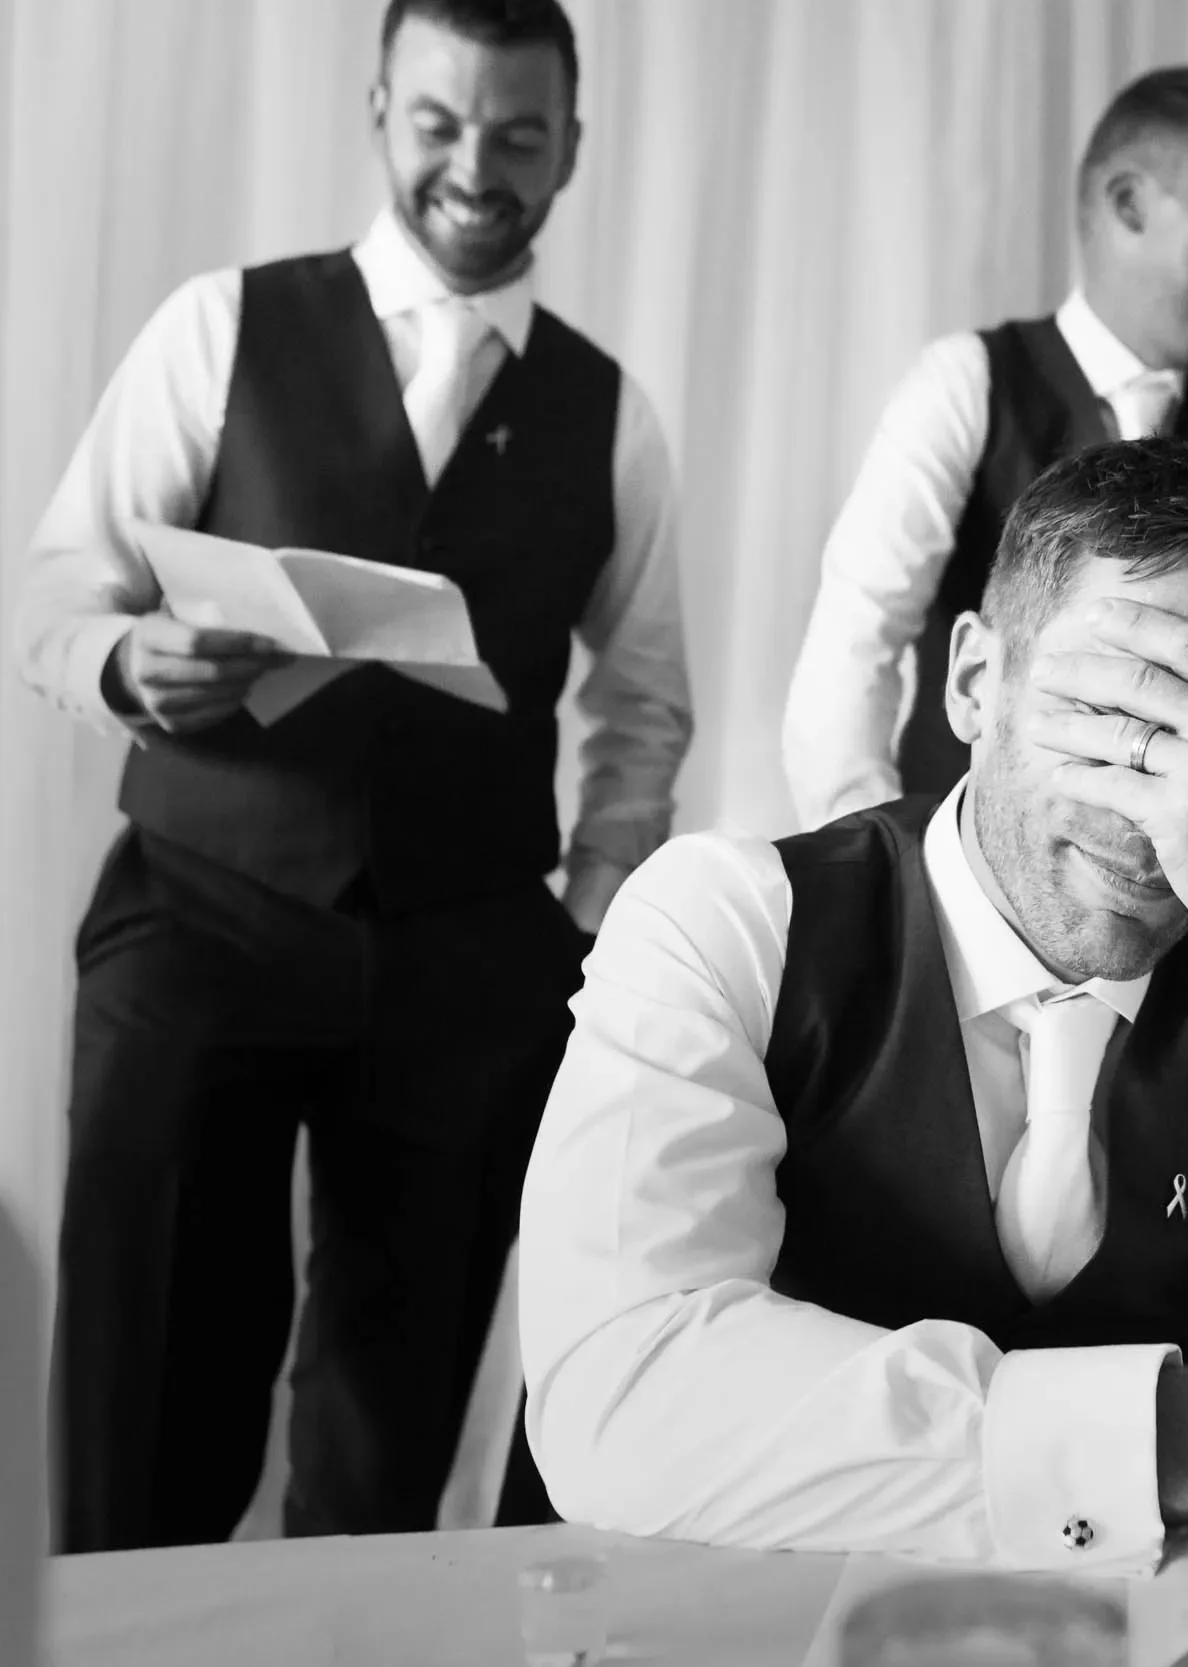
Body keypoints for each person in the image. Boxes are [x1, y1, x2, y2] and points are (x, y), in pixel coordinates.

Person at [521, 440, 1188, 1568]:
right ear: (975, 681)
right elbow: (619, 1387)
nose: (1165, 796)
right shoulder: (729, 921)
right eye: (1113, 707)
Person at [13, 0, 691, 1549]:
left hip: (468, 958)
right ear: (380, 109)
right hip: (203, 908)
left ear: (572, 147)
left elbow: (645, 702)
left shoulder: (613, 415)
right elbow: (56, 586)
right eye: (441, 123)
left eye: (520, 134)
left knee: (385, 1451)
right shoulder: (220, 324)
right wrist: (125, 660)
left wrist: (584, 924)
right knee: (145, 1410)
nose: (478, 168)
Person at [780, 64, 1188, 949]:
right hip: (969, 898)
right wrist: (879, 882)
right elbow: (854, 644)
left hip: (1185, 916)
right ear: (1129, 203)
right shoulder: (965, 383)